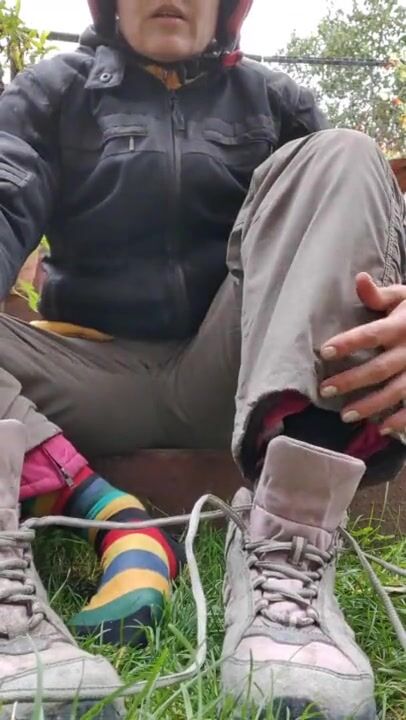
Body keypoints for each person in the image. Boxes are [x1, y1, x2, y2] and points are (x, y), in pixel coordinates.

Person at [0, 0, 404, 717]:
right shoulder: (50, 92)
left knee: (345, 153)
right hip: (80, 380)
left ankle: (287, 556)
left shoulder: (277, 102)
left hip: (241, 375)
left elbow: (360, 229)